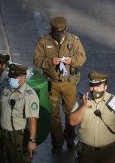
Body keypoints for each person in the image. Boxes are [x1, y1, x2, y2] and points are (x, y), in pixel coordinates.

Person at [32, 16, 86, 153]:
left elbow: (82, 58)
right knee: (53, 115)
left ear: (66, 30)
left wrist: (71, 60)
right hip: (53, 84)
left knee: (70, 112)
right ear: (52, 30)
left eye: (62, 32)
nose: (59, 35)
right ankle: (57, 142)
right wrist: (51, 61)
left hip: (69, 84)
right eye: (56, 33)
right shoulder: (43, 42)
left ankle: (69, 137)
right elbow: (37, 60)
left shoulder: (73, 40)